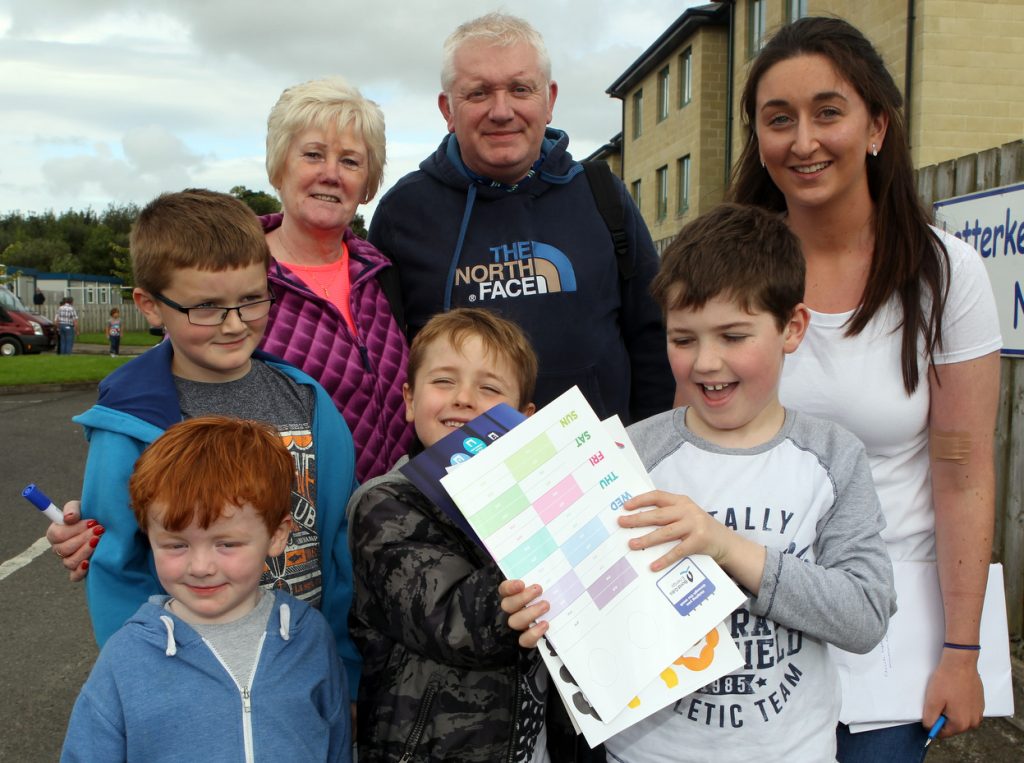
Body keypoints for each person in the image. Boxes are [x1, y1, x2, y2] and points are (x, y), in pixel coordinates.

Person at [501, 203, 896, 762]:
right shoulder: (629, 455)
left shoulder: (834, 458)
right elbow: (589, 615)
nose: (706, 362)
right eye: (683, 339)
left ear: (793, 328)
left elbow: (864, 616)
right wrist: (543, 611)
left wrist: (725, 546)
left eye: (733, 335)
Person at [728, 16, 1001, 759]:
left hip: (887, 637)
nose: (803, 140)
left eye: (828, 111)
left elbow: (964, 471)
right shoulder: (729, 271)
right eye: (777, 119)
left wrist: (962, 650)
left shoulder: (944, 274)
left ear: (877, 124)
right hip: (750, 628)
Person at [60, 189, 361, 694]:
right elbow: (116, 565)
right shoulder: (129, 419)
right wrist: (144, 681)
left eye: (250, 299)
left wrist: (345, 671)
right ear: (150, 306)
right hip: (188, 680)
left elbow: (341, 542)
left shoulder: (307, 401)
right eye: (207, 307)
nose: (234, 324)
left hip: (307, 668)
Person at [368, 12, 673, 425]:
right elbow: (386, 363)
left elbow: (653, 336)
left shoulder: (603, 195)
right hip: (459, 475)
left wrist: (648, 447)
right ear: (448, 108)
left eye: (519, 89)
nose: (501, 110)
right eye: (478, 93)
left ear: (549, 99)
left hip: (601, 471)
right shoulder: (403, 213)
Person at [61, 416, 351, 763]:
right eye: (175, 545)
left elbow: (336, 747)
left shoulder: (309, 638)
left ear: (277, 535)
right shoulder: (125, 658)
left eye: (226, 544)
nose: (200, 567)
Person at [348, 307, 550, 762]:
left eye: (489, 388)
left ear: (525, 418)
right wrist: (554, 524)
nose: (463, 398)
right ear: (409, 399)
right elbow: (458, 626)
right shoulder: (383, 504)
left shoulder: (534, 499)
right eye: (443, 381)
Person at [261, 76, 412, 482]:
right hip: (288, 533)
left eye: (350, 161)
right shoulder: (232, 276)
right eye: (312, 155)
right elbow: (170, 405)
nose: (331, 174)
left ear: (367, 183)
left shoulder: (383, 274)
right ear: (279, 167)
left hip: (391, 527)